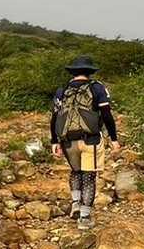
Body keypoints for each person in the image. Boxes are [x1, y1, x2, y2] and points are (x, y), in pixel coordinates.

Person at [50, 56, 120, 229]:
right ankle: (85, 218)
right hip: (91, 140)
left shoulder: (62, 90)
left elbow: (55, 117)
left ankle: (75, 203)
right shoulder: (97, 88)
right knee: (89, 177)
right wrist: (114, 139)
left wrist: (54, 141)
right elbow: (106, 115)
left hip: (68, 141)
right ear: (90, 72)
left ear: (72, 72)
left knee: (76, 172)